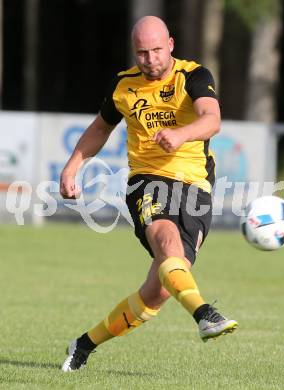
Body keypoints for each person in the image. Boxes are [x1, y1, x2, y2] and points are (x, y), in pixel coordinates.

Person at [60, 15, 238, 372]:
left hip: (196, 186)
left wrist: (181, 134)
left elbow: (212, 119)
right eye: (142, 52)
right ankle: (205, 314)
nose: (150, 59)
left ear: (170, 44)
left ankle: (83, 343)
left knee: (158, 290)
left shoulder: (194, 76)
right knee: (169, 246)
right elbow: (100, 127)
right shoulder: (124, 85)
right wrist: (73, 165)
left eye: (156, 50)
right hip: (147, 183)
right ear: (134, 52)